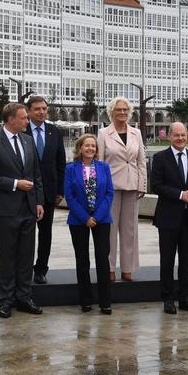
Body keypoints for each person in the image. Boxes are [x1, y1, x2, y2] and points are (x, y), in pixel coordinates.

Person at [0, 103, 45, 318]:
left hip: (28, 208)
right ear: (11, 119)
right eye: (24, 118)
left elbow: (36, 174)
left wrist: (38, 202)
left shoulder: (28, 141)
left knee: (27, 256)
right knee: (7, 256)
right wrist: (15, 183)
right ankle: (6, 301)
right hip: (6, 210)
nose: (28, 121)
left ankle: (25, 298)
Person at [151, 122, 188, 314]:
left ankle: (185, 298)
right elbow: (156, 186)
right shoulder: (160, 158)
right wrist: (180, 195)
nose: (181, 138)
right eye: (176, 135)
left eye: (183, 135)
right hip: (168, 217)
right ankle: (168, 299)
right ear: (169, 136)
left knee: (187, 260)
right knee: (167, 260)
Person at [97, 97, 147, 282]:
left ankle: (127, 268)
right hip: (111, 188)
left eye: (125, 110)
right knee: (109, 229)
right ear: (112, 112)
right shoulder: (103, 133)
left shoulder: (137, 133)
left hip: (132, 186)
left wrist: (142, 185)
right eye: (119, 110)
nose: (122, 113)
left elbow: (141, 161)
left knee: (130, 230)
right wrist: (101, 188)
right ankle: (109, 268)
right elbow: (100, 162)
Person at [65, 134, 114, 315]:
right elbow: (69, 196)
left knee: (102, 260)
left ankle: (105, 302)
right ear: (80, 148)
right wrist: (85, 217)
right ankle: (85, 301)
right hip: (78, 220)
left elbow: (110, 193)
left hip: (102, 220)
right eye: (87, 145)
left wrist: (98, 216)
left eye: (93, 146)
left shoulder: (104, 167)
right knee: (82, 260)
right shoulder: (71, 169)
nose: (90, 149)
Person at [24, 95, 66, 285]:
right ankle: (23, 269)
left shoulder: (53, 131)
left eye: (44, 109)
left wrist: (60, 191)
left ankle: (41, 269)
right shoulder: (21, 130)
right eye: (37, 109)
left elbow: (60, 163)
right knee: (25, 233)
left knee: (45, 233)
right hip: (25, 191)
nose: (41, 112)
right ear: (29, 111)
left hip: (49, 192)